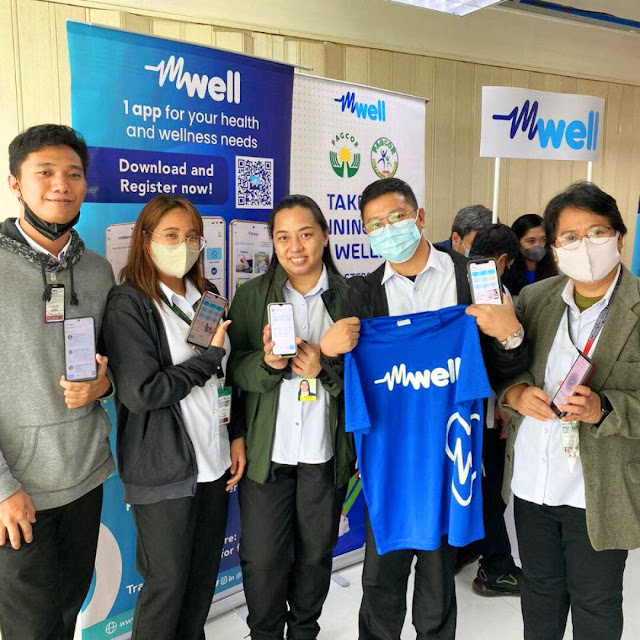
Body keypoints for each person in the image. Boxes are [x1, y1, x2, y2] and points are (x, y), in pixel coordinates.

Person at [320, 178, 531, 640]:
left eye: (396, 217)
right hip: (390, 456)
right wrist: (328, 353)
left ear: (419, 217)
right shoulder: (361, 295)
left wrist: (509, 334)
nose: (387, 229)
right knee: (381, 578)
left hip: (452, 453)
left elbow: (503, 368)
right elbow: (346, 381)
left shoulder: (474, 277)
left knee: (438, 579)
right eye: (375, 224)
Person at [498, 181, 640, 640]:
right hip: (533, 484)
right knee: (539, 594)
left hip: (598, 489)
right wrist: (515, 395)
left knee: (596, 603)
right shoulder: (535, 300)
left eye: (597, 232)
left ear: (619, 237)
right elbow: (506, 367)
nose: (586, 245)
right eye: (571, 237)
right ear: (556, 249)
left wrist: (604, 407)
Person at [101, 195, 246, 640]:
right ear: (146, 241)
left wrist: (236, 435)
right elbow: (142, 392)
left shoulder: (208, 297)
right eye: (170, 235)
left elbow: (224, 377)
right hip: (165, 470)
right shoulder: (130, 303)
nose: (183, 245)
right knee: (166, 588)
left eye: (191, 236)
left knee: (200, 584)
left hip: (213, 462)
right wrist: (207, 359)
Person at [0, 124, 115, 639]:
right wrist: (2, 488)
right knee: (30, 627)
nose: (61, 186)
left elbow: (112, 363)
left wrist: (104, 386)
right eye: (44, 172)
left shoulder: (97, 271)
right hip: (18, 490)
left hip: (85, 475)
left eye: (73, 174)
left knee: (69, 612)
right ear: (15, 183)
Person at [227, 194, 356, 640]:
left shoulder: (352, 298)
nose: (295, 247)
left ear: (325, 236)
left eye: (305, 234)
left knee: (315, 555)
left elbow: (371, 380)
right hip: (268, 453)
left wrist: (326, 370)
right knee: (262, 559)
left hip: (324, 454)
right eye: (283, 237)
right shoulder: (251, 296)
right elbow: (232, 369)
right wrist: (267, 365)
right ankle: (264, 633)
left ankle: (304, 631)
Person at [452, 224, 523, 596]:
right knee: (489, 489)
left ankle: (466, 549)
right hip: (487, 412)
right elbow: (495, 359)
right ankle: (496, 568)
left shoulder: (455, 287)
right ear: (504, 260)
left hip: (463, 409)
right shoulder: (497, 298)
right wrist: (503, 404)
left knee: (473, 485)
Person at [501, 213, 557, 297]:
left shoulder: (552, 269)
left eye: (543, 240)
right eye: (531, 241)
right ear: (517, 242)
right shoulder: (506, 271)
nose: (538, 245)